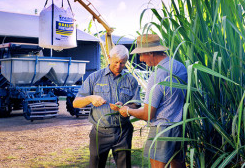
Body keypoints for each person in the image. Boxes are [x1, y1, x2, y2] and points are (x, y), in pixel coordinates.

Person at [118, 34, 187, 168]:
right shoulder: (179, 66)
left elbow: (148, 114)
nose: (141, 59)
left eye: (142, 55)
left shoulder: (157, 75)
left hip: (162, 129)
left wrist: (127, 110)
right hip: (178, 127)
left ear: (150, 53)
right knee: (178, 164)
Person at [73, 45, 140, 168]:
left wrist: (126, 107)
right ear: (109, 58)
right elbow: (76, 103)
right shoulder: (94, 77)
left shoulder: (131, 80)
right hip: (100, 132)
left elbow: (136, 105)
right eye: (116, 62)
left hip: (123, 131)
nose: (119, 66)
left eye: (123, 63)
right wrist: (90, 98)